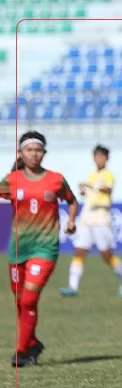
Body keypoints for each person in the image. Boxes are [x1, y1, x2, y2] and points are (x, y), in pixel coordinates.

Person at [1, 131, 78, 367]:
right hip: (17, 249)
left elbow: (72, 200)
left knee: (29, 298)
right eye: (29, 150)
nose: (34, 154)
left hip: (45, 247)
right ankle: (33, 343)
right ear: (21, 153)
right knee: (20, 302)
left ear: (44, 153)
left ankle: (21, 351)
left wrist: (71, 221)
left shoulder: (55, 179)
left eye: (38, 150)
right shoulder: (11, 180)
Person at [59, 144, 122, 298]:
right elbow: (88, 192)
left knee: (106, 254)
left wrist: (91, 186)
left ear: (107, 158)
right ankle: (73, 287)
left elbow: (108, 189)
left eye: (102, 156)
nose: (99, 159)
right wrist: (83, 189)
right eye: (97, 156)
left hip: (101, 218)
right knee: (79, 250)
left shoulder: (108, 174)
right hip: (87, 217)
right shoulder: (92, 174)